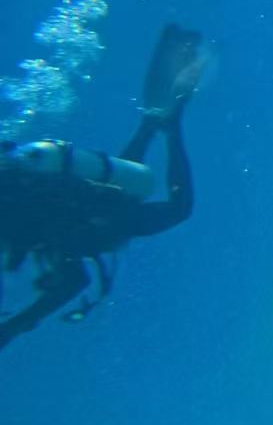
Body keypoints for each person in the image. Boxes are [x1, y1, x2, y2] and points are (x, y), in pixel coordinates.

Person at [0, 24, 202, 352]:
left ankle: (169, 128)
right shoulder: (15, 192)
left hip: (87, 220)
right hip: (82, 200)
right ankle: (153, 125)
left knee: (177, 208)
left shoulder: (16, 218)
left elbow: (75, 279)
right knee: (113, 190)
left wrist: (14, 327)